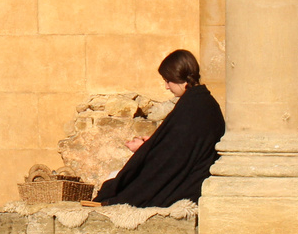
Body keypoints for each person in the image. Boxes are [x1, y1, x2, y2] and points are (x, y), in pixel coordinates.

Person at [89, 49, 225, 208]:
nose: (167, 87)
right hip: (192, 177)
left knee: (119, 189)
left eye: (168, 81)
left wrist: (145, 150)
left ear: (178, 76)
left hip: (186, 185)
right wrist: (151, 145)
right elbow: (177, 145)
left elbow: (172, 159)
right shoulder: (203, 102)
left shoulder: (192, 107)